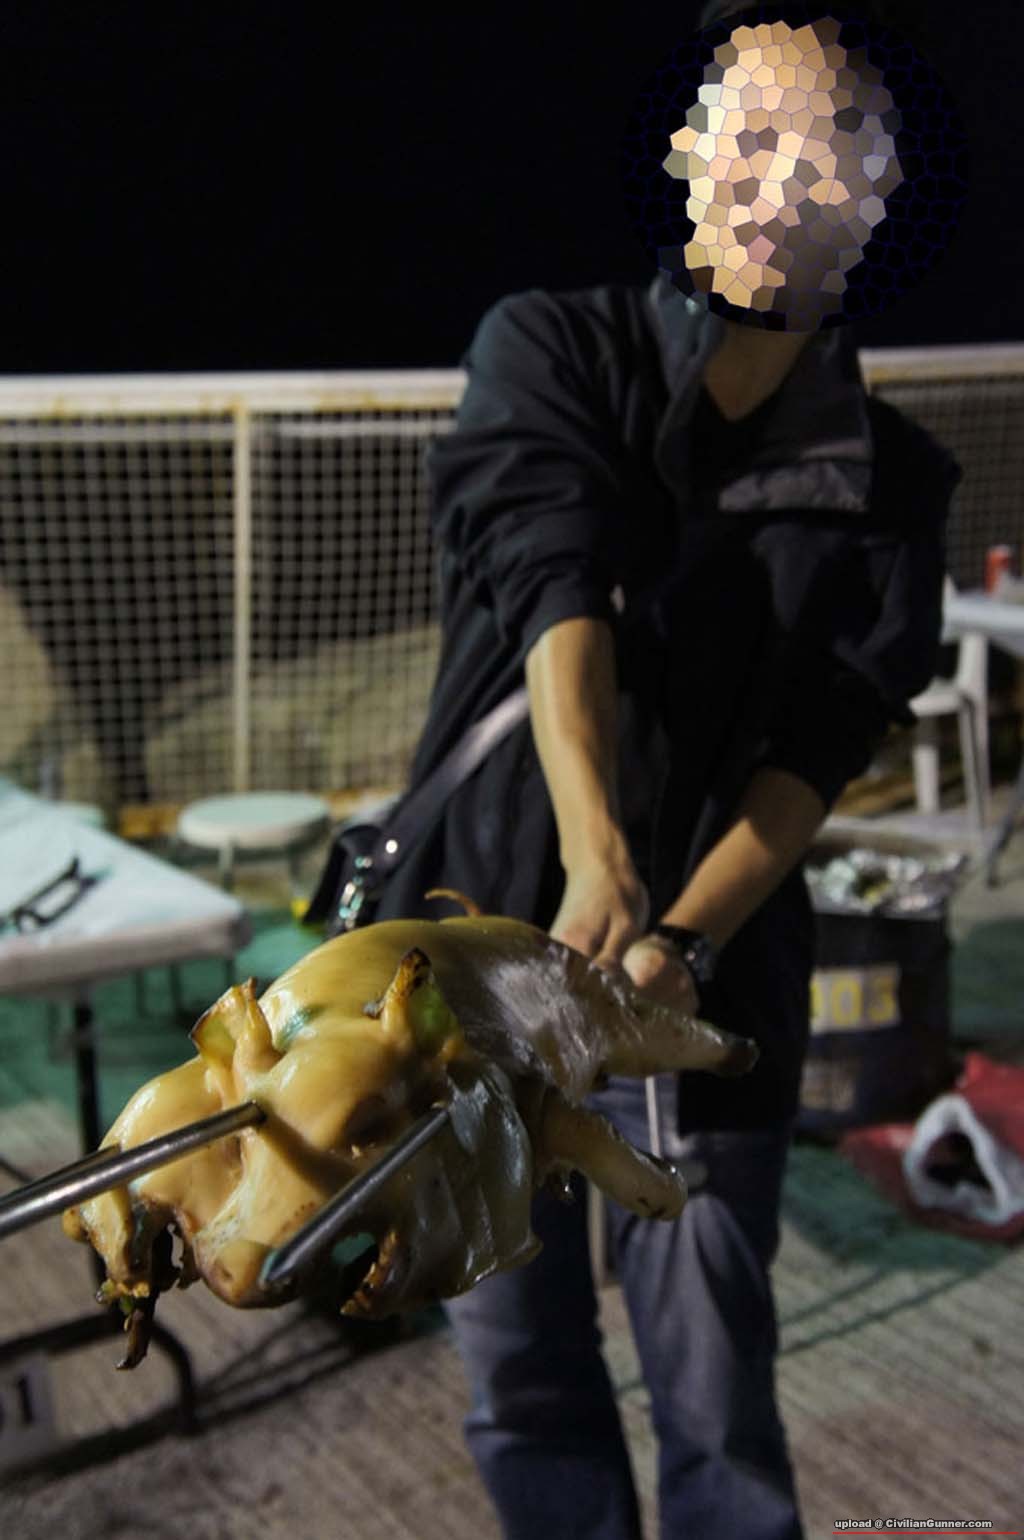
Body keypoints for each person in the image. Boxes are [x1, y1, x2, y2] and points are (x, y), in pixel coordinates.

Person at [372, 10, 959, 1535]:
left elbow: (820, 749)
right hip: (486, 944)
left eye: (826, 151)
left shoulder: (894, 480)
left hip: (704, 985)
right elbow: (551, 580)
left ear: (876, 200)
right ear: (690, 160)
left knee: (718, 1403)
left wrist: (680, 936)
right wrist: (599, 858)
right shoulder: (551, 347)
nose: (780, 181)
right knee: (522, 1373)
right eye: (748, 136)